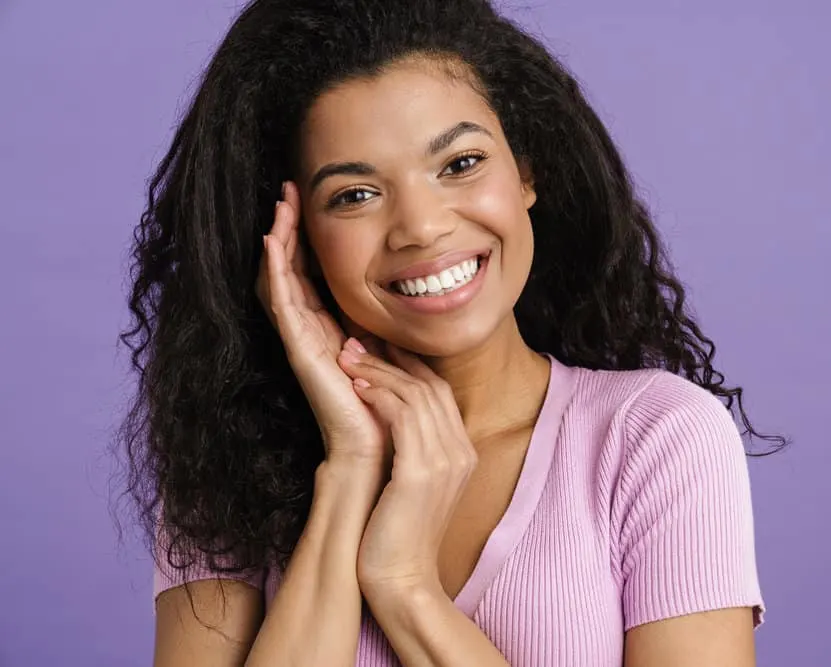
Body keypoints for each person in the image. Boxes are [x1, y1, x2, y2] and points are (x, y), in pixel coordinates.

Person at [119, 0, 786, 664]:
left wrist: (406, 588)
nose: (422, 227)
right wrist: (351, 466)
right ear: (292, 243)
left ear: (527, 170)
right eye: (354, 195)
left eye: (460, 163)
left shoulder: (654, 440)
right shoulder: (227, 468)